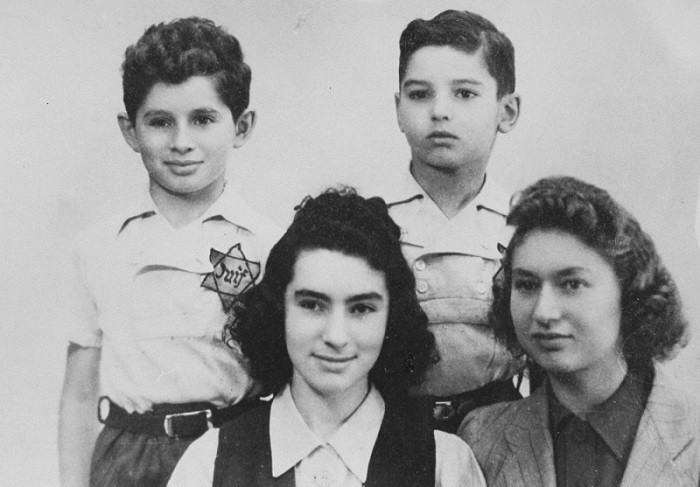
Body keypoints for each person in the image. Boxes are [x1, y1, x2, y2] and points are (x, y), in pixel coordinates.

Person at [57, 17, 280, 487]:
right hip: (130, 457)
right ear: (130, 130)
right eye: (160, 122)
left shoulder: (271, 245)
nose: (181, 143)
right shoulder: (100, 246)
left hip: (237, 449)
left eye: (203, 119)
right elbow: (79, 395)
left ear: (241, 126)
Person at [167, 188, 486, 486]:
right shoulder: (208, 463)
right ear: (280, 309)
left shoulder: (445, 464)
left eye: (361, 308)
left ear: (392, 318)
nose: (336, 336)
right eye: (312, 305)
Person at [459, 176, 700, 486]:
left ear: (629, 291)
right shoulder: (481, 439)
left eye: (572, 284)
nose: (543, 312)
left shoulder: (692, 433)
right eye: (527, 285)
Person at [377, 9, 523, 432]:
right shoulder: (370, 222)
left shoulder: (522, 228)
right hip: (390, 428)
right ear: (399, 110)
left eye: (464, 94)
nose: (439, 111)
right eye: (419, 94)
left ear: (507, 111)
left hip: (500, 425)